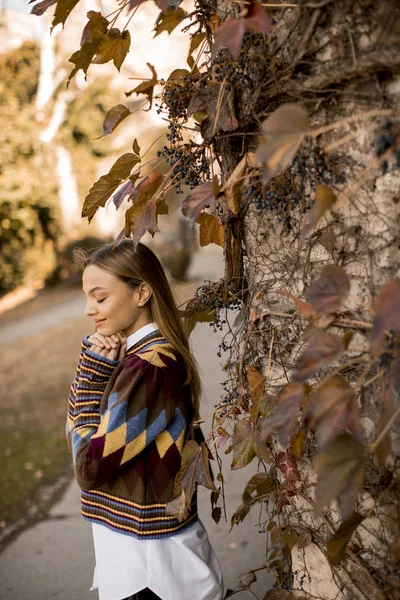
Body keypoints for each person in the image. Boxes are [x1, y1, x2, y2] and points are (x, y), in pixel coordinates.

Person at [67, 240, 223, 600]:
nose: (89, 309)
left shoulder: (148, 368)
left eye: (100, 297)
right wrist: (98, 372)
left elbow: (88, 468)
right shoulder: (140, 359)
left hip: (149, 569)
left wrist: (90, 379)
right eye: (87, 297)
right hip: (139, 555)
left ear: (141, 293)